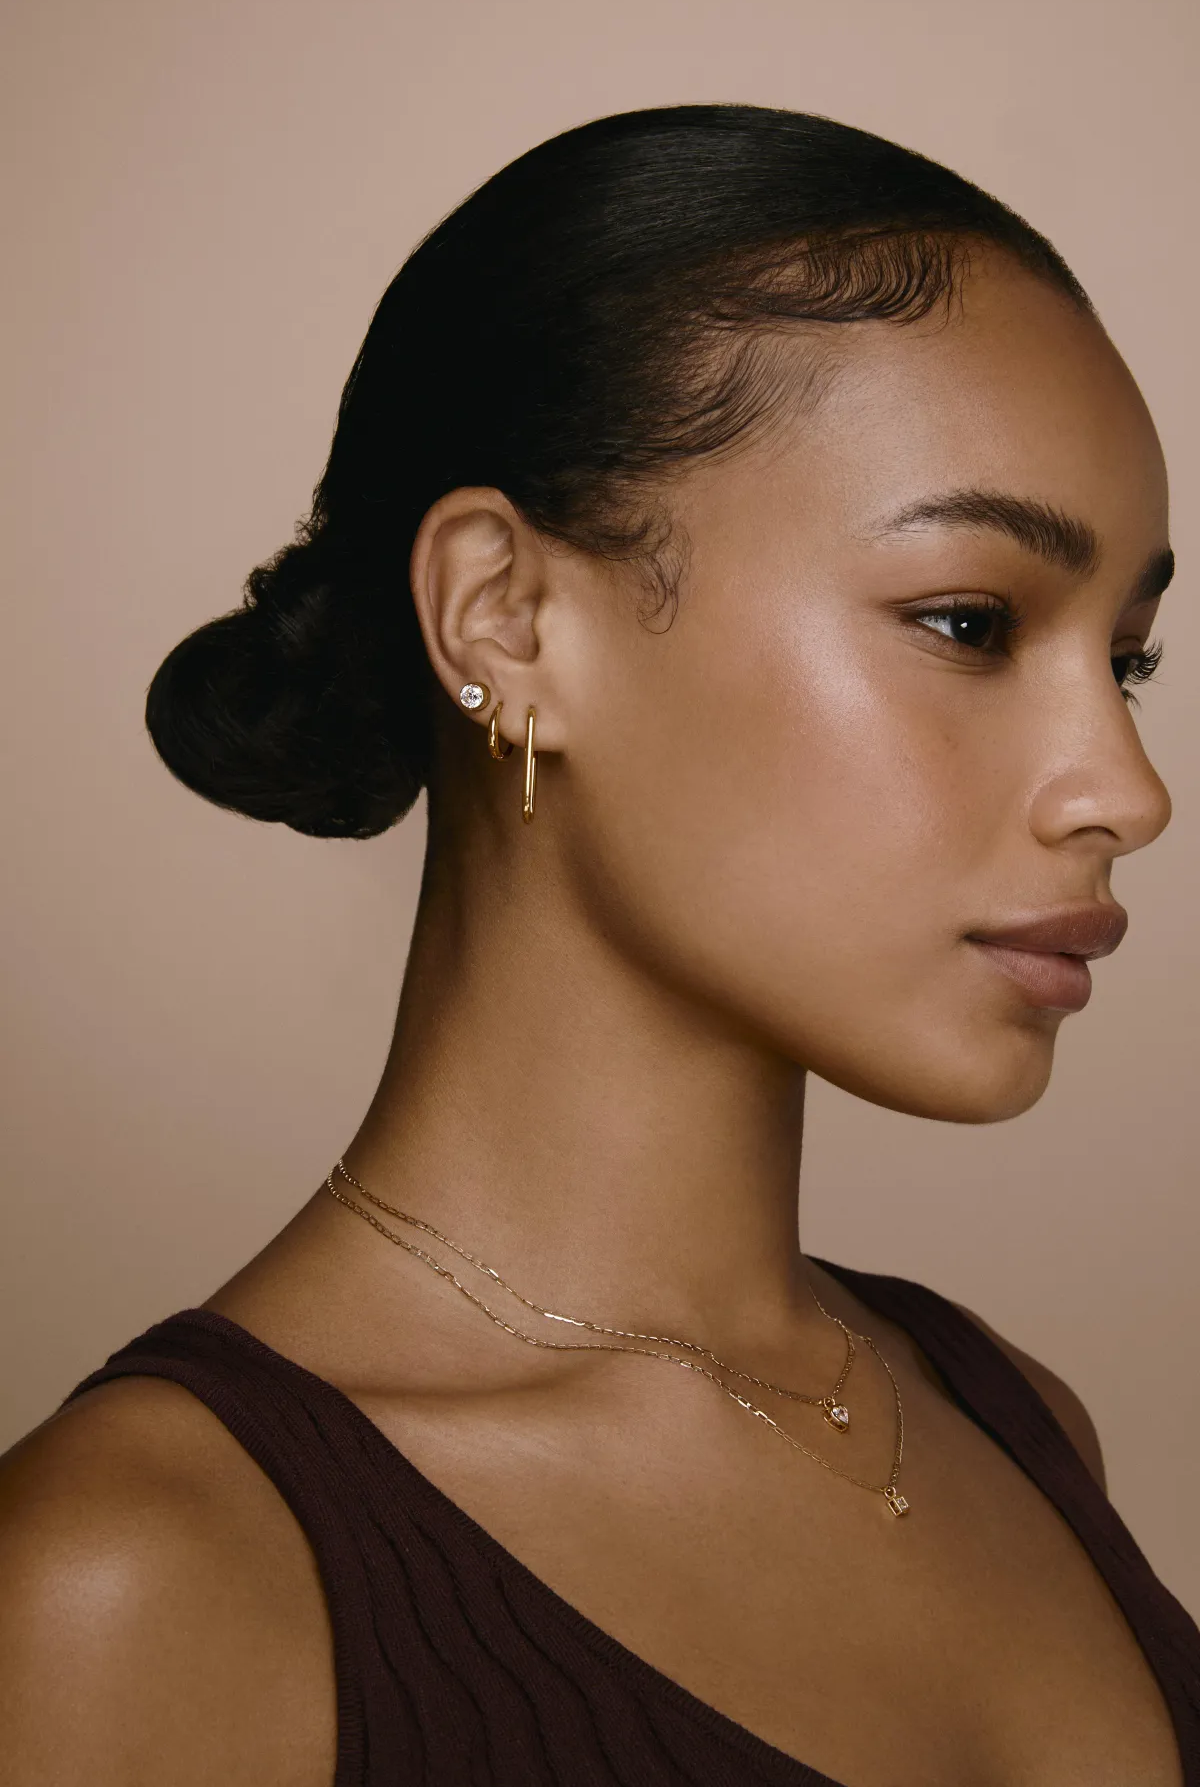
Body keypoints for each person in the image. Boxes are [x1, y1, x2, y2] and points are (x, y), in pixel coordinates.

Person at [0, 103, 1195, 1787]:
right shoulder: (141, 1587)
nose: (1127, 792)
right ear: (508, 619)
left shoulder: (1012, 1419)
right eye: (969, 621)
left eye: (1127, 662)